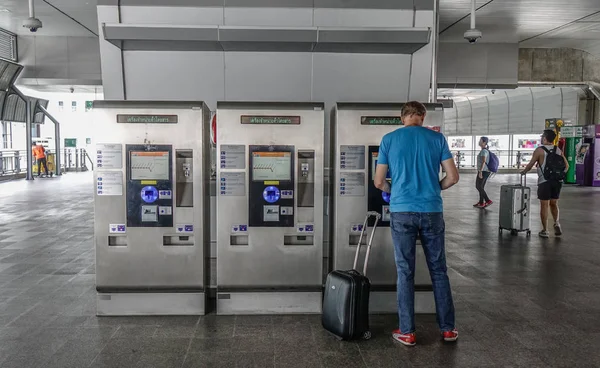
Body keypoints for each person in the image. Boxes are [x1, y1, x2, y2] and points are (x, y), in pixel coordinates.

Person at [374, 101, 460, 347]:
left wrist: (393, 191)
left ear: (403, 118)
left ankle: (407, 331)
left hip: (402, 212)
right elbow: (453, 177)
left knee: (405, 271)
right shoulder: (437, 139)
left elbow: (379, 181)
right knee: (439, 270)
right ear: (422, 116)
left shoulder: (389, 139)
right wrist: (435, 189)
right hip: (432, 210)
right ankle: (448, 329)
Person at [521, 129, 568, 238]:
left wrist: (524, 172)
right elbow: (567, 166)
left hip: (544, 181)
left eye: (542, 137)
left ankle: (545, 230)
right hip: (557, 181)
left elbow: (530, 164)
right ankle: (557, 223)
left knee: (544, 205)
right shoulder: (558, 150)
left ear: (545, 138)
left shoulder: (539, 150)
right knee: (554, 203)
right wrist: (560, 176)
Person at [474, 137, 493, 208]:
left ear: (484, 143)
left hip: (484, 171)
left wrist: (480, 171)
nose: (479, 142)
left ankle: (488, 201)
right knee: (481, 187)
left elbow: (483, 161)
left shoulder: (484, 151)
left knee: (478, 186)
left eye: (480, 141)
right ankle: (481, 202)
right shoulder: (484, 150)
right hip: (485, 171)